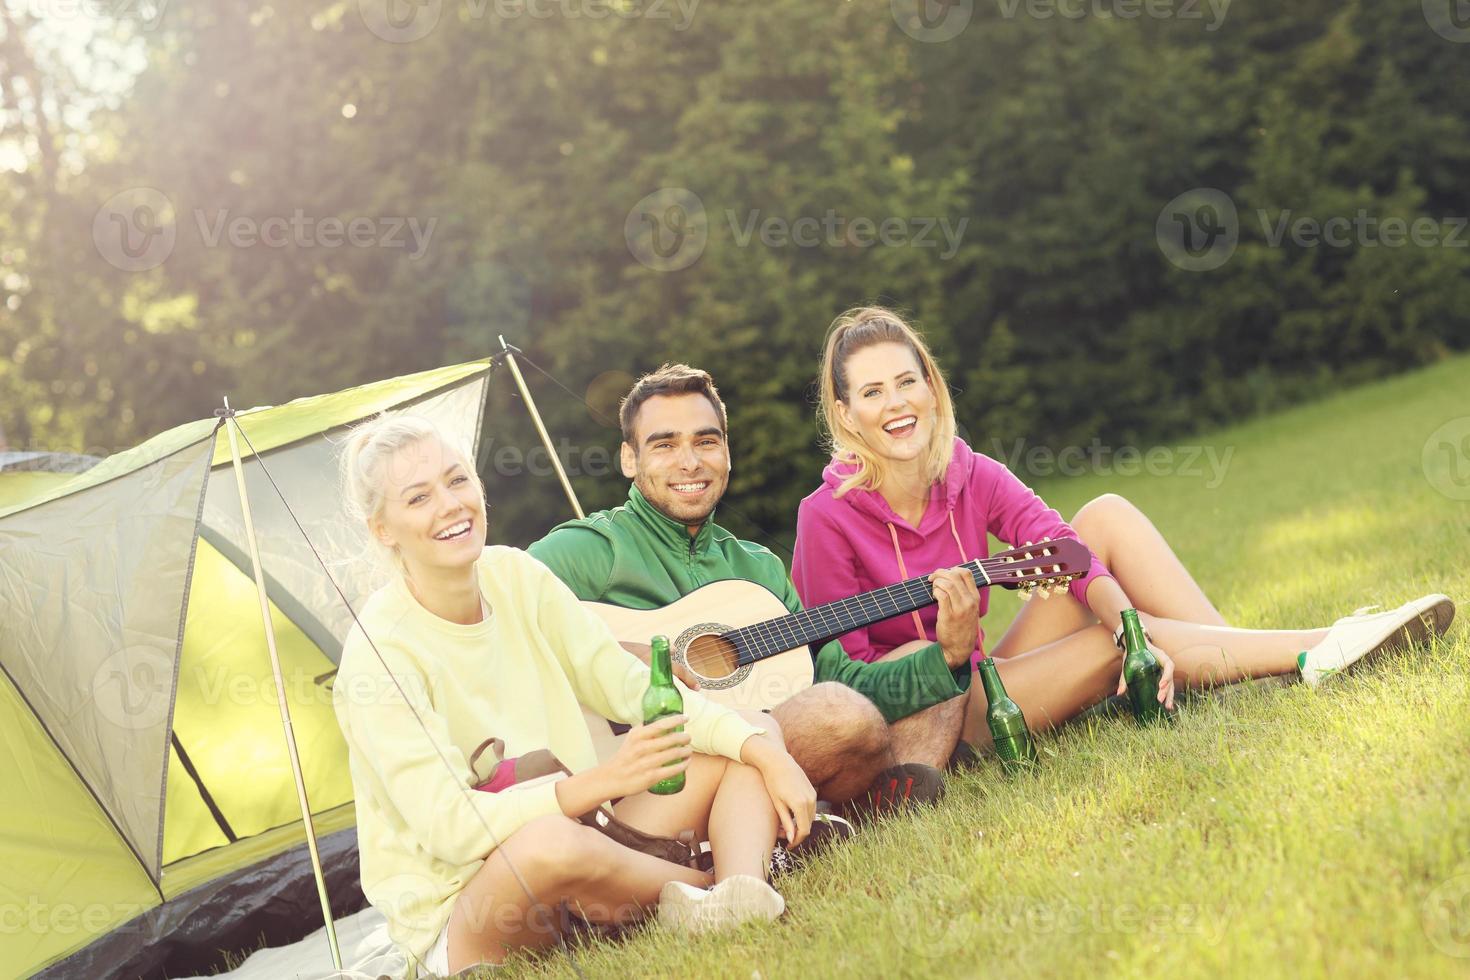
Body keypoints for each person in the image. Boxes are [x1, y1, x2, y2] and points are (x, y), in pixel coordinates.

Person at [793, 306, 1456, 758]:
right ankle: (1323, 648)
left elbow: (1070, 552)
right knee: (1116, 641)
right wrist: (946, 651)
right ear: (847, 416)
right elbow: (842, 678)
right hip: (942, 715)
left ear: (933, 391)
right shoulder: (825, 518)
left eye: (908, 382)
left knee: (1104, 515)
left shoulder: (969, 472)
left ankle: (1239, 663)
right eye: (873, 393)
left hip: (989, 667)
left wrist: (1118, 620)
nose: (897, 404)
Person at [332, 413, 815, 975]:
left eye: (457, 480)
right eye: (418, 498)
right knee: (548, 845)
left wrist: (765, 753)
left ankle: (740, 896)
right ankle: (712, 886)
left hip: (593, 838)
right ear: (382, 529)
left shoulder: (516, 576)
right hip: (478, 909)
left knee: (748, 732)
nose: (450, 506)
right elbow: (452, 828)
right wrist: (604, 781)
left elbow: (633, 688)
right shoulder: (380, 652)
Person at [528, 364, 985, 813]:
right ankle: (860, 796)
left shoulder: (758, 567)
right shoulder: (587, 549)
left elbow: (837, 680)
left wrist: (947, 657)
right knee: (839, 714)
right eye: (664, 445)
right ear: (630, 458)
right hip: (644, 776)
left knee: (910, 666)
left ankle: (852, 809)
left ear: (727, 453)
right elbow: (490, 612)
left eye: (706, 441)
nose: (690, 461)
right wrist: (624, 653)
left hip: (753, 746)